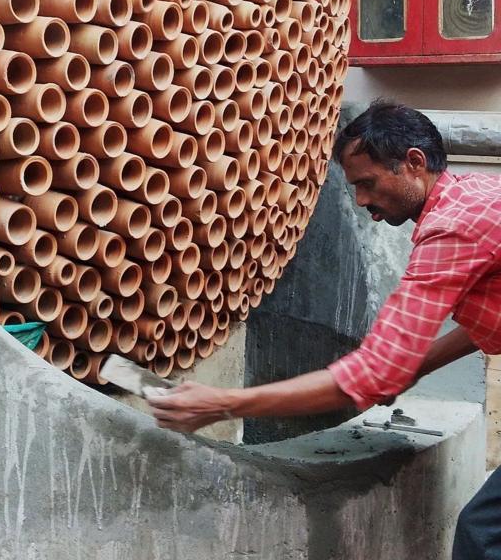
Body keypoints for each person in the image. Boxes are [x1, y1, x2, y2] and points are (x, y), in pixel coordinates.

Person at [146, 101, 501, 560]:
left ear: (414, 162)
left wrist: (222, 403)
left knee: (483, 536)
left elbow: (372, 375)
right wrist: (416, 364)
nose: (362, 202)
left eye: (368, 184)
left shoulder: (453, 228)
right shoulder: (474, 194)